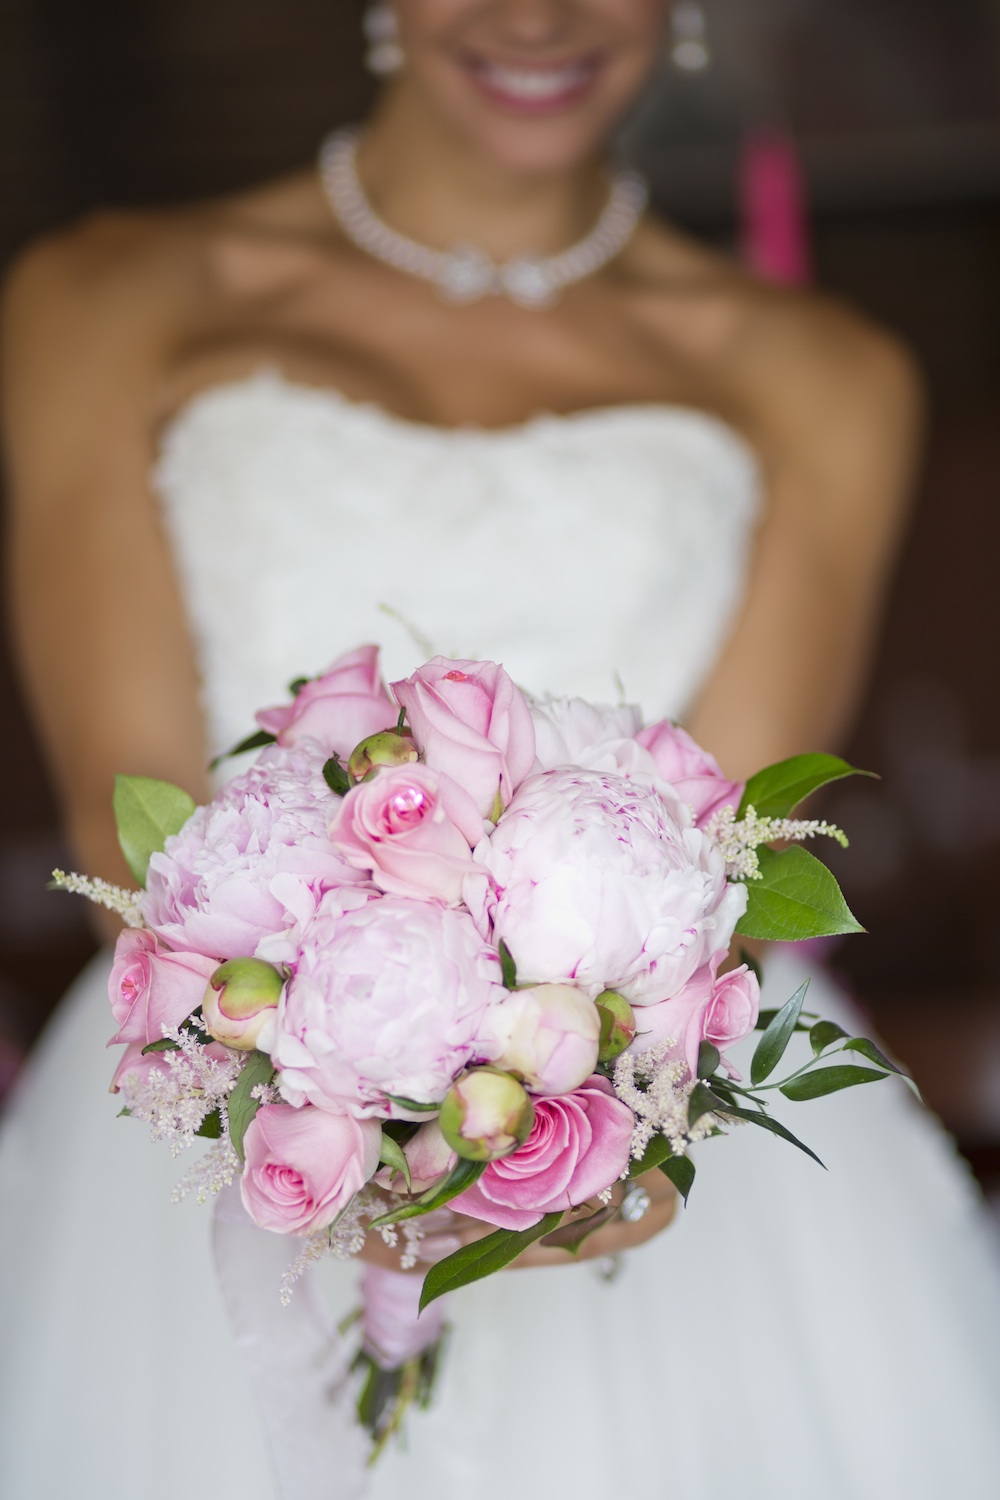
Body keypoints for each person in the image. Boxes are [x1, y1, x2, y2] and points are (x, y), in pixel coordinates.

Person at [2, 2, 999, 1497]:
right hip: (216, 1077)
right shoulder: (104, 296)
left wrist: (584, 1138)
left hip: (644, 1114)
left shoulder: (827, 372)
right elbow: (122, 798)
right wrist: (323, 1111)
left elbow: (725, 853)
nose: (538, 16)